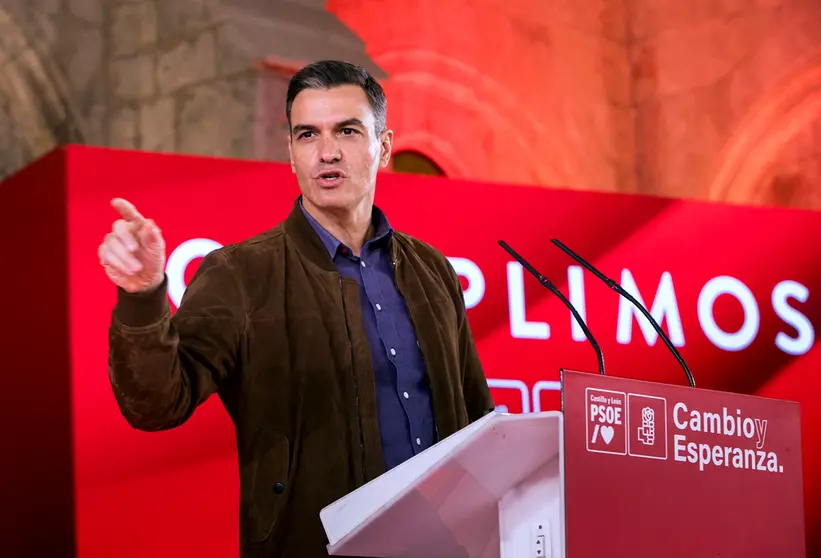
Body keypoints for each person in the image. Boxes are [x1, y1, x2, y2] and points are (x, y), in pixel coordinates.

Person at [99, 60, 495, 557]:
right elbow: (156, 404)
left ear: (385, 147)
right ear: (290, 152)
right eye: (308, 135)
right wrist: (141, 296)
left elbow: (478, 420)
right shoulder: (239, 273)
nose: (327, 152)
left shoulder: (432, 270)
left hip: (442, 545)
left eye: (347, 131)